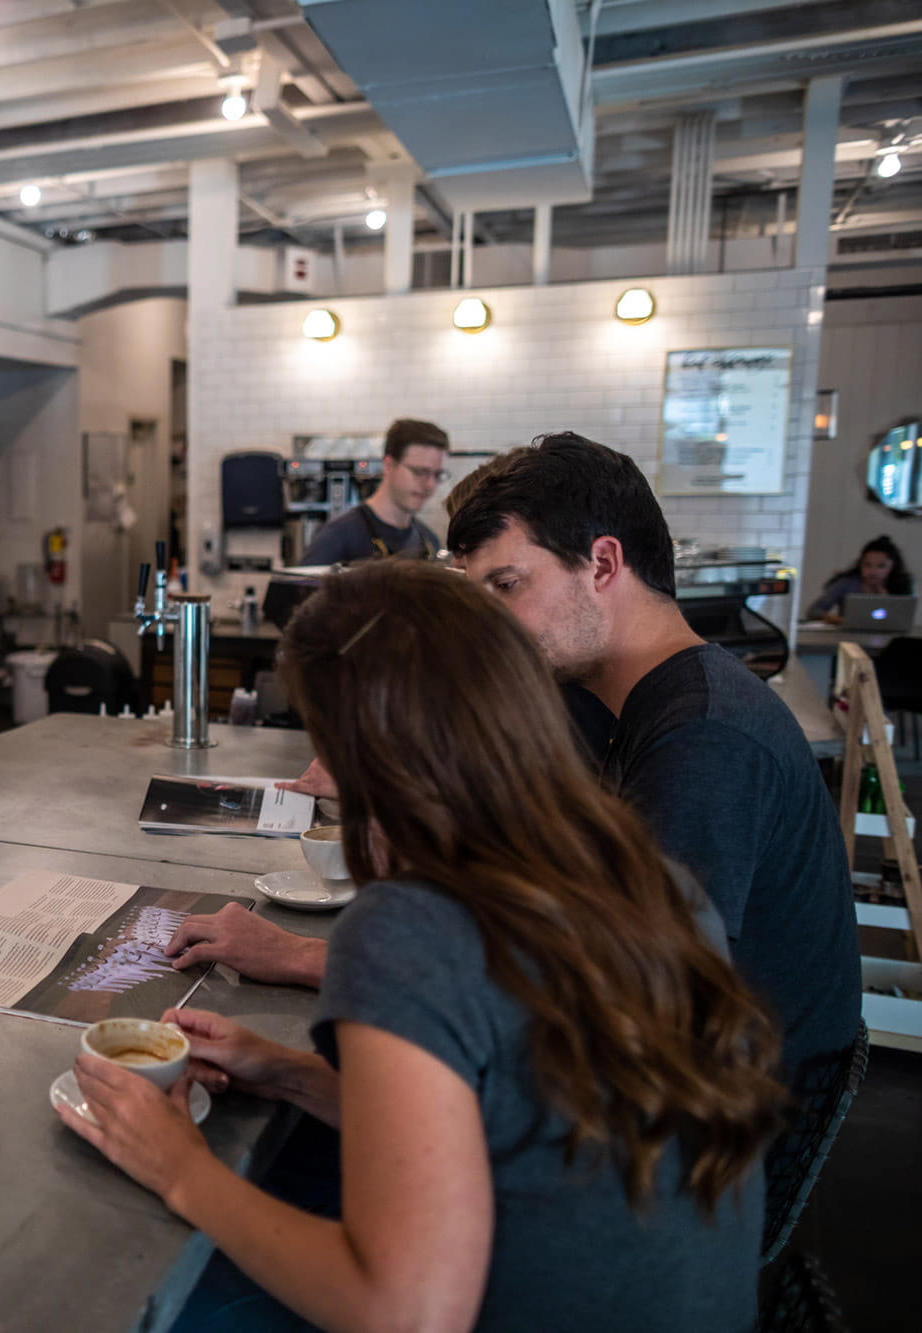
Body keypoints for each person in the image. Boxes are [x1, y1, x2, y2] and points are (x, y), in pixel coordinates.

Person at [60, 561, 784, 1332]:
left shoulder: (412, 926)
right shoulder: (650, 878)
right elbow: (514, 1136)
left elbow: (406, 1311)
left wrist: (180, 1167)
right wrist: (292, 1075)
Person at [173, 433, 860, 1083]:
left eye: (506, 586)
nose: (488, 625)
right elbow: (544, 893)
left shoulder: (705, 738)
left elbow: (614, 996)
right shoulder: (614, 697)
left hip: (717, 1144)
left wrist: (300, 956)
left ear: (604, 564)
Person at [298, 419, 449, 564]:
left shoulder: (428, 541)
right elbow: (299, 590)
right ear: (388, 465)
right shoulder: (338, 536)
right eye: (419, 472)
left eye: (437, 475)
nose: (430, 484)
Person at [808, 535, 912, 622]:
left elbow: (904, 619)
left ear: (893, 566)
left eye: (881, 566)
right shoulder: (847, 583)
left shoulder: (901, 584)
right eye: (867, 565)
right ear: (860, 564)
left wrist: (885, 598)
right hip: (849, 638)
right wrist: (836, 619)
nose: (873, 571)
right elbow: (814, 611)